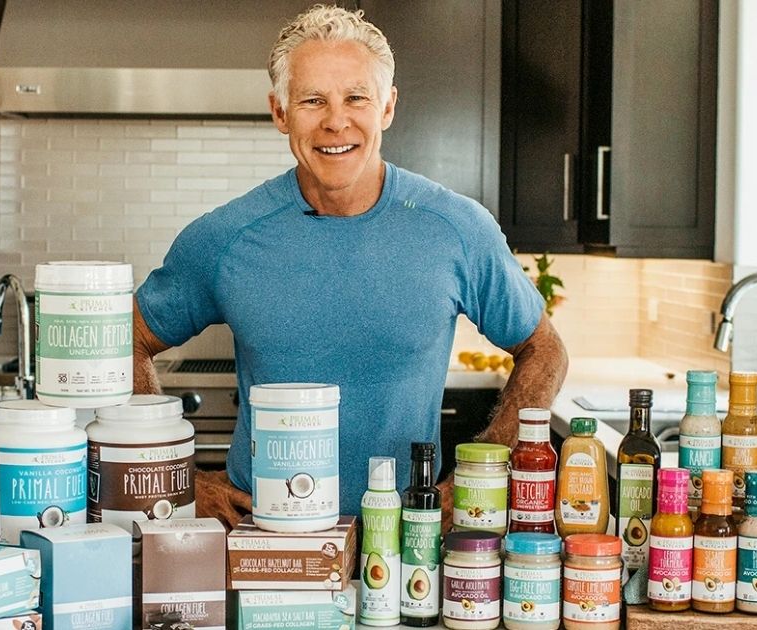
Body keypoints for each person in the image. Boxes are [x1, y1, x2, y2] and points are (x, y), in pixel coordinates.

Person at [131, 4, 569, 530]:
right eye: (313, 100)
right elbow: (124, 340)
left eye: (356, 97)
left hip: (408, 543)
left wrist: (484, 475)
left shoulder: (455, 228)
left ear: (387, 106)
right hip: (266, 548)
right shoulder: (225, 238)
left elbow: (545, 348)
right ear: (279, 112)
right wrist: (172, 476)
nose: (336, 120)